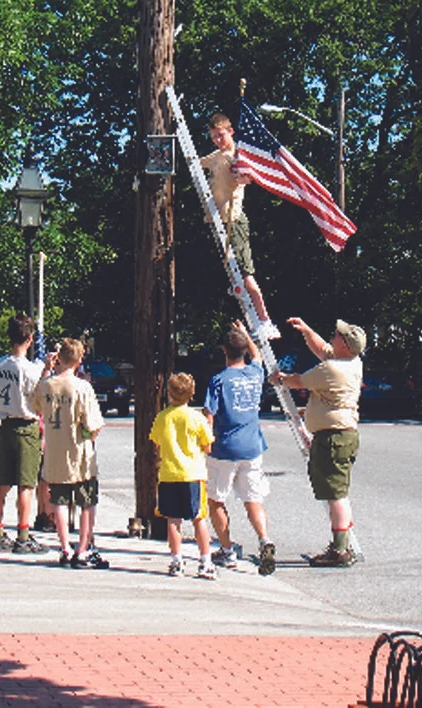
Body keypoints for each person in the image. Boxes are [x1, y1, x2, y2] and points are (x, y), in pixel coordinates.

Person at [270, 317, 366, 568]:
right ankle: (343, 544)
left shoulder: (331, 370)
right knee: (338, 492)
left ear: (345, 344)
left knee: (336, 495)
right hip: (341, 435)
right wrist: (307, 330)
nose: (332, 335)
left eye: (337, 334)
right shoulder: (353, 362)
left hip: (333, 438)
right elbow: (324, 349)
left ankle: (340, 550)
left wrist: (279, 379)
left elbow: (299, 381)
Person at [203, 319, 277, 576]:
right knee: (252, 498)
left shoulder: (219, 380)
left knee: (216, 499)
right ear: (244, 349)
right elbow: (257, 356)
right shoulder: (255, 374)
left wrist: (204, 443)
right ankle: (265, 539)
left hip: (224, 448)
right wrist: (247, 335)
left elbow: (209, 415)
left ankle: (226, 550)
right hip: (252, 447)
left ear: (224, 350)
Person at [201, 112, 279, 341]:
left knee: (246, 275)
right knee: (235, 275)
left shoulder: (238, 156)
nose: (217, 140)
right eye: (214, 136)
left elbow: (249, 177)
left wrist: (243, 175)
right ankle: (254, 315)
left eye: (221, 135)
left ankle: (265, 321)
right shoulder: (216, 156)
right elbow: (195, 163)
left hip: (233, 221)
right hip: (217, 222)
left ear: (231, 131)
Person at [32, 337, 109, 569]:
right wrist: (87, 435)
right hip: (79, 455)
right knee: (87, 502)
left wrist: (46, 370)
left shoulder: (46, 385)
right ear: (79, 359)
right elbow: (94, 424)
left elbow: (35, 406)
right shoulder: (82, 387)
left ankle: (65, 548)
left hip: (55, 452)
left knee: (60, 502)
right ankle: (82, 549)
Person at [0, 313, 53, 554]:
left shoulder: (1, 364)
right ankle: (23, 534)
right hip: (26, 426)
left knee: (2, 483)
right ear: (30, 338)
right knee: (26, 484)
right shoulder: (29, 369)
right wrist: (46, 370)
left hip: (6, 425)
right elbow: (38, 396)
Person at [149, 372, 217, 580]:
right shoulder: (196, 418)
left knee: (173, 520)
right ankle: (205, 561)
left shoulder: (162, 417)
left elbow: (156, 442)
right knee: (199, 518)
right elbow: (207, 447)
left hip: (169, 473)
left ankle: (176, 561)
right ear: (192, 394)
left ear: (168, 393)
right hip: (192, 474)